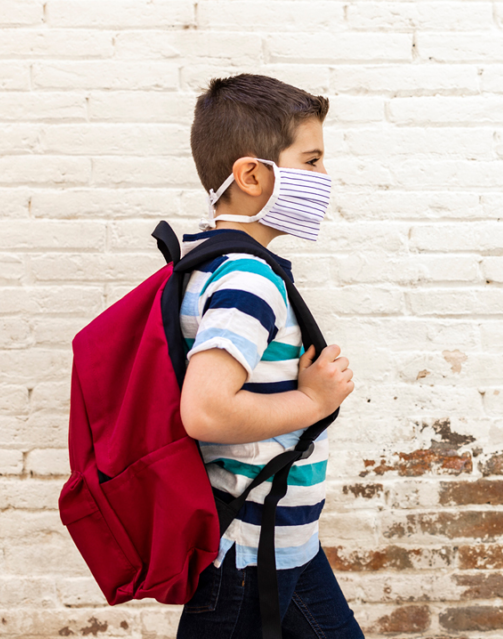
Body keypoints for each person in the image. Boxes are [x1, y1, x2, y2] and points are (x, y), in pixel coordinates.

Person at [175, 74, 363, 639]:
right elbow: (204, 412)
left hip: (285, 542)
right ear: (253, 175)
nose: (323, 179)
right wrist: (312, 399)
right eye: (310, 161)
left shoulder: (212, 261)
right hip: (245, 557)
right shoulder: (248, 279)